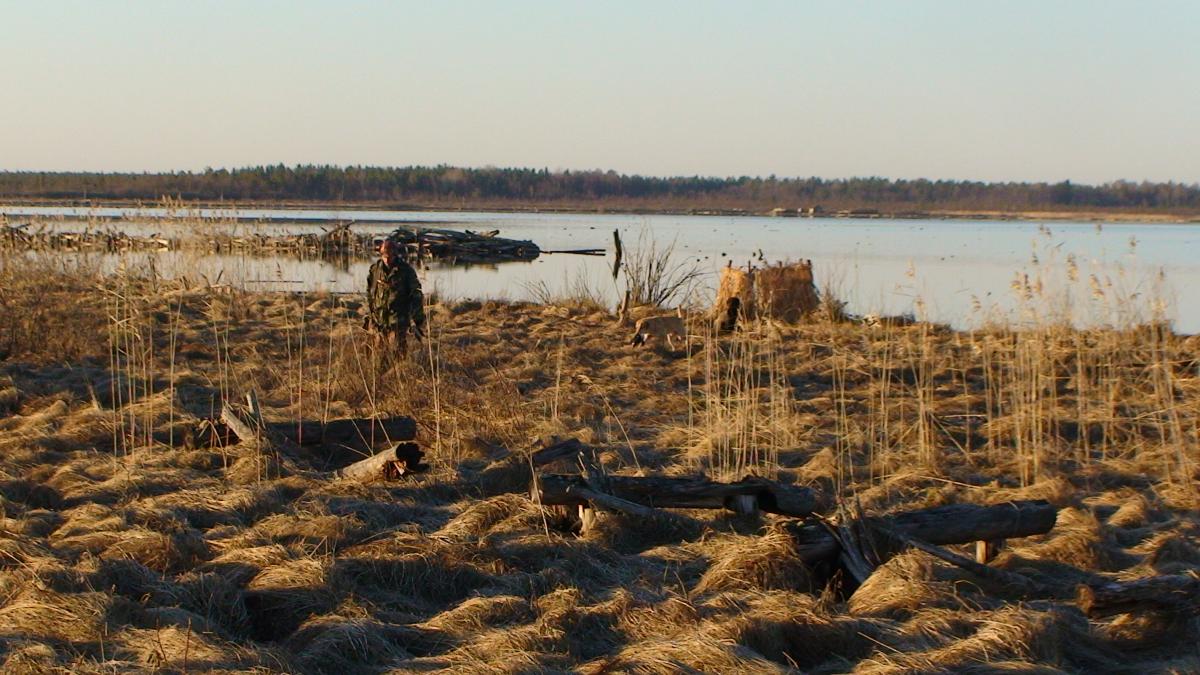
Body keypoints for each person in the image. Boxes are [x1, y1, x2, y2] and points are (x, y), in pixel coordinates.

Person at [365, 239, 425, 353]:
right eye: (384, 255)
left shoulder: (406, 270)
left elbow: (416, 294)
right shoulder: (375, 269)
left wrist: (418, 319)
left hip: (398, 318)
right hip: (379, 318)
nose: (387, 258)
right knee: (378, 351)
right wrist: (369, 315)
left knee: (398, 349)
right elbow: (370, 293)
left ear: (395, 254)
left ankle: (400, 369)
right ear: (380, 253)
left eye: (390, 255)